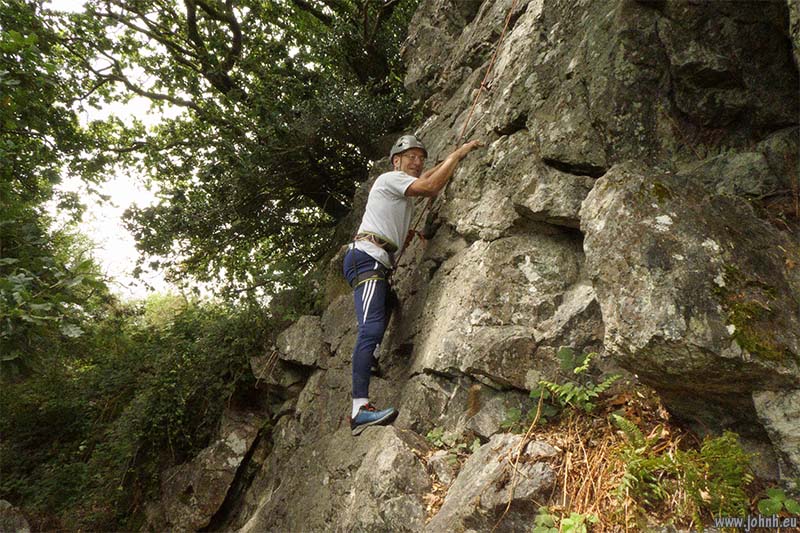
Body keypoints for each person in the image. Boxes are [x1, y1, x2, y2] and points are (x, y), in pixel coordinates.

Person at [343, 134, 482, 436]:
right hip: (367, 258)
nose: (417, 163)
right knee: (370, 329)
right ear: (396, 161)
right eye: (411, 157)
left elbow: (428, 176)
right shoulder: (390, 179)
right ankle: (359, 409)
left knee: (388, 304)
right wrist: (458, 154)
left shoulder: (400, 187)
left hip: (375, 258)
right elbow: (430, 186)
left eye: (421, 158)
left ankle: (371, 357)